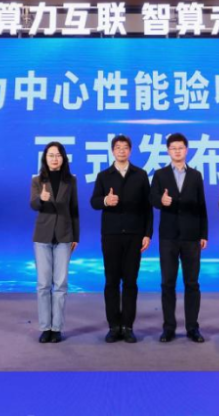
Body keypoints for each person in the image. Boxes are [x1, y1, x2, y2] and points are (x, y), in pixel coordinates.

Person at [90, 135, 153, 343]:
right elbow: (94, 202)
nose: (122, 151)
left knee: (130, 281)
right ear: (112, 151)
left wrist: (147, 234)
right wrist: (105, 200)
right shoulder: (104, 176)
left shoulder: (140, 175)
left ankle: (127, 326)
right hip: (111, 235)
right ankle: (113, 326)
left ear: (130, 151)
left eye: (125, 147)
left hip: (134, 235)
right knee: (111, 281)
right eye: (118, 147)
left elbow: (148, 207)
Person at [150, 133, 208, 343]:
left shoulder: (196, 175)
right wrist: (161, 200)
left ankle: (193, 328)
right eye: (173, 148)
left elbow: (202, 206)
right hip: (168, 236)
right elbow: (152, 198)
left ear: (186, 150)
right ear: (168, 151)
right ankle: (169, 328)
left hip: (192, 237)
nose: (177, 151)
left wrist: (203, 233)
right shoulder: (160, 174)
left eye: (180, 148)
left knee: (192, 283)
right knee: (168, 283)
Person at [29, 141, 79, 343]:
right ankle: (45, 328)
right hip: (43, 236)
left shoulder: (71, 180)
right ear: (45, 158)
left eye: (58, 155)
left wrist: (76, 236)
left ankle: (56, 328)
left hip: (64, 236)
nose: (54, 158)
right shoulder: (37, 180)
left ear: (63, 158)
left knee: (60, 284)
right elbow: (33, 204)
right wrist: (41, 198)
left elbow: (74, 209)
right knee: (43, 284)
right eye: (51, 155)